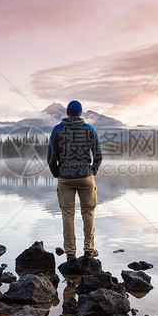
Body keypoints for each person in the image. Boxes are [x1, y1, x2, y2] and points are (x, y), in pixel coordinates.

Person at [47, 100, 103, 260]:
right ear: (80, 113)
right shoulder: (89, 129)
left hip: (65, 178)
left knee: (68, 214)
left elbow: (51, 157)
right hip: (86, 178)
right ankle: (88, 250)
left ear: (67, 113)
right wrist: (92, 170)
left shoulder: (57, 130)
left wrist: (57, 173)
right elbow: (98, 154)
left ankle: (70, 253)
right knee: (88, 213)